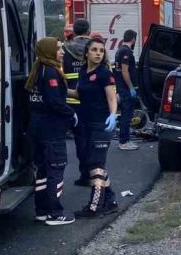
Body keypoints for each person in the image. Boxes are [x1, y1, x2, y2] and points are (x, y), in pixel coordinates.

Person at [25, 37, 77, 226]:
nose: (62, 52)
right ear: (48, 51)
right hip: (51, 129)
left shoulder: (37, 70)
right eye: (58, 49)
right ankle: (55, 213)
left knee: (42, 171)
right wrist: (71, 114)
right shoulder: (52, 72)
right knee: (56, 168)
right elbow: (54, 101)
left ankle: (41, 210)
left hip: (36, 127)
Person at [70, 36, 120, 217]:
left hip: (101, 124)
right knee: (90, 161)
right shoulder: (83, 71)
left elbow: (112, 98)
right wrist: (60, 89)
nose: (98, 53)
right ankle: (111, 200)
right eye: (94, 50)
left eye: (101, 51)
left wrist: (113, 115)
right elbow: (78, 93)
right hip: (85, 123)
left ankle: (94, 207)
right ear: (87, 52)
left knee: (96, 164)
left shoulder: (104, 73)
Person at [63, 18, 93, 185]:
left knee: (80, 139)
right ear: (88, 31)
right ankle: (96, 174)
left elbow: (60, 75)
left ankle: (85, 174)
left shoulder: (64, 49)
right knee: (94, 138)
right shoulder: (96, 48)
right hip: (93, 101)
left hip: (72, 102)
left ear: (73, 31)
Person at [114, 29, 139, 151]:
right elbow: (124, 71)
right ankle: (123, 142)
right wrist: (131, 88)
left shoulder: (120, 50)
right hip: (125, 89)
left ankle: (125, 140)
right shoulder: (126, 52)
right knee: (126, 115)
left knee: (126, 115)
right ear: (133, 38)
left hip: (121, 88)